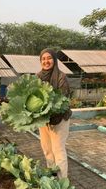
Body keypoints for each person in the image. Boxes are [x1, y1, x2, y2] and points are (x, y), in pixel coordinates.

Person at [37, 48, 72, 178]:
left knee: (58, 151)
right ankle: (52, 179)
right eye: (43, 59)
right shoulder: (37, 77)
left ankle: (62, 181)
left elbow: (62, 100)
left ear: (54, 60)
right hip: (43, 120)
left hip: (59, 119)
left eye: (49, 58)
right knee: (47, 150)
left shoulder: (61, 77)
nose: (46, 61)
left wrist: (47, 110)